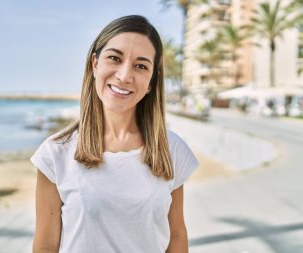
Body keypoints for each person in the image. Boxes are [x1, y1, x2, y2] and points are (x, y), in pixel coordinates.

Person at [31, 15, 198, 253]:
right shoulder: (55, 153)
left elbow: (177, 236)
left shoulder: (171, 149)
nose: (124, 75)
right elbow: (46, 247)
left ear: (151, 82)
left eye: (140, 66)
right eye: (114, 58)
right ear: (94, 64)